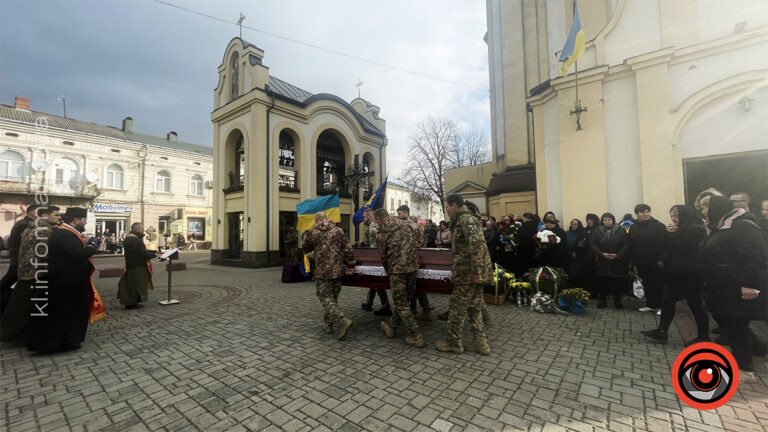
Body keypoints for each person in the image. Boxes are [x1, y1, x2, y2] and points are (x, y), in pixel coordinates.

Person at [701, 196, 768, 381]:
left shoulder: (742, 225)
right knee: (727, 320)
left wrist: (750, 285)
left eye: (705, 208)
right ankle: (760, 349)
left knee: (736, 324)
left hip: (738, 286)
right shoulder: (722, 226)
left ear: (716, 208)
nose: (703, 212)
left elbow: (756, 257)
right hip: (724, 285)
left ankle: (744, 369)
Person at [28, 207, 98, 353]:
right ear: (76, 220)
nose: (85, 223)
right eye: (84, 220)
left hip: (70, 281)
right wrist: (92, 248)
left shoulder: (65, 232)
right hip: (67, 282)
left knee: (68, 313)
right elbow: (75, 254)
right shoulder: (64, 234)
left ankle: (68, 340)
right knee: (66, 313)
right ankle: (65, 342)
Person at [641, 205, 709, 345]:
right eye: (671, 215)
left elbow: (683, 247)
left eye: (676, 215)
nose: (673, 218)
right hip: (674, 273)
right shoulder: (678, 229)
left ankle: (703, 336)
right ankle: (662, 331)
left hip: (690, 273)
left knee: (695, 304)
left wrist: (674, 233)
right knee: (667, 301)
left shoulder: (696, 229)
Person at [435, 194, 492, 355]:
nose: (446, 210)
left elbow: (476, 247)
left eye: (447, 207)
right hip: (469, 271)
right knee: (474, 306)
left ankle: (453, 343)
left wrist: (477, 272)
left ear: (454, 206)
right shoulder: (462, 219)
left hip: (470, 273)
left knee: (457, 307)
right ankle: (480, 342)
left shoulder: (466, 219)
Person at [1, 206, 60, 344]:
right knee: (28, 307)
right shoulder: (45, 231)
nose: (59, 217)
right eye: (56, 215)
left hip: (25, 271)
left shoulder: (30, 227)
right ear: (45, 215)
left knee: (19, 305)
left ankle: (9, 333)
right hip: (36, 274)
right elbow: (46, 255)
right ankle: (18, 335)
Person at [375, 209, 424, 348]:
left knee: (401, 304)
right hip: (412, 268)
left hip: (397, 270)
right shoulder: (406, 224)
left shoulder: (382, 233)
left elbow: (383, 256)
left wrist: (388, 270)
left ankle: (416, 335)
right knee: (405, 300)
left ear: (379, 219)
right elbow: (418, 242)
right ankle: (391, 327)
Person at [302, 212, 354, 340]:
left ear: (317, 220)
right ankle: (329, 325)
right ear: (326, 218)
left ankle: (343, 322)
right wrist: (351, 265)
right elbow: (348, 249)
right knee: (333, 298)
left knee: (325, 298)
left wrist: (315, 253)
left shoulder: (313, 232)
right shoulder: (338, 230)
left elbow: (306, 248)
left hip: (323, 272)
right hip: (337, 270)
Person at [627, 204, 668, 313]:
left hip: (655, 262)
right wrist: (633, 259)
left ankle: (662, 306)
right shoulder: (633, 227)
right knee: (647, 283)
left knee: (658, 284)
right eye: (642, 212)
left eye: (647, 212)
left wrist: (661, 259)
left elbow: (664, 244)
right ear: (637, 214)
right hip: (640, 261)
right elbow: (631, 243)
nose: (646, 214)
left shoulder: (659, 226)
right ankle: (651, 304)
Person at [0, 205, 38, 316]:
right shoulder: (25, 225)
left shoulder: (23, 223)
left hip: (19, 260)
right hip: (20, 261)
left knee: (9, 284)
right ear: (32, 213)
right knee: (8, 284)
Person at [397, 205, 431, 321]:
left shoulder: (407, 226)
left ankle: (413, 310)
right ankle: (425, 310)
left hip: (410, 260)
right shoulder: (417, 226)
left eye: (400, 213)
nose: (399, 216)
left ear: (406, 213)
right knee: (418, 287)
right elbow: (422, 243)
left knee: (411, 287)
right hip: (419, 258)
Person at [118, 223, 161, 309]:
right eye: (142, 229)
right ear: (137, 229)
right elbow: (142, 252)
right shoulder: (135, 240)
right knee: (136, 285)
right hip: (138, 265)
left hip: (132, 265)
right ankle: (131, 303)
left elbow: (140, 250)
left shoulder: (129, 239)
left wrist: (153, 252)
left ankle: (132, 302)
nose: (143, 230)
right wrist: (154, 255)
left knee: (132, 284)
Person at [591, 212, 629, 309]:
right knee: (603, 283)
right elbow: (593, 244)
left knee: (617, 283)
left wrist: (617, 255)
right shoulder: (597, 231)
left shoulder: (621, 230)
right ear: (602, 221)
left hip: (617, 261)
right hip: (602, 261)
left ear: (613, 220)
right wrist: (601, 254)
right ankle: (602, 300)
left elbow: (626, 245)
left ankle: (617, 302)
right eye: (605, 220)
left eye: (609, 220)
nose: (607, 222)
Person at [360, 208, 391, 315]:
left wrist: (373, 261)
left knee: (376, 281)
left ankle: (385, 305)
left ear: (369, 216)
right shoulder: (373, 225)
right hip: (380, 257)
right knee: (373, 281)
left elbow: (374, 246)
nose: (363, 219)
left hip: (376, 258)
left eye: (364, 217)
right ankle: (369, 302)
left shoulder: (372, 227)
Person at [514, 212, 539, 277]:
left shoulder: (527, 225)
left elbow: (521, 234)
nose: (522, 219)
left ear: (527, 218)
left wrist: (514, 235)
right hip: (531, 246)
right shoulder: (534, 224)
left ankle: (524, 275)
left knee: (524, 263)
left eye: (523, 217)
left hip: (525, 246)